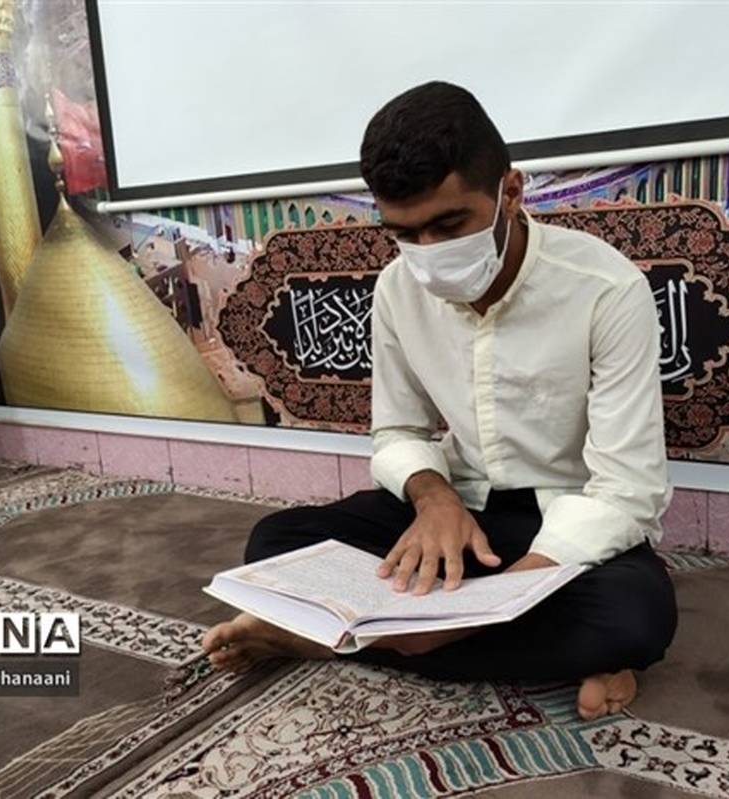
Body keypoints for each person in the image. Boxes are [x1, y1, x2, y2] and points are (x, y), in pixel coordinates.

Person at [203, 81, 677, 720]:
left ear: (511, 191)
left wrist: (479, 611)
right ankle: (521, 649)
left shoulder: (605, 289)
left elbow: (626, 491)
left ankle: (328, 637)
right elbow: (397, 432)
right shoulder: (397, 289)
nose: (427, 255)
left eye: (449, 225)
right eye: (404, 233)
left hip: (562, 522)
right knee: (276, 542)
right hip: (458, 510)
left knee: (635, 616)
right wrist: (435, 500)